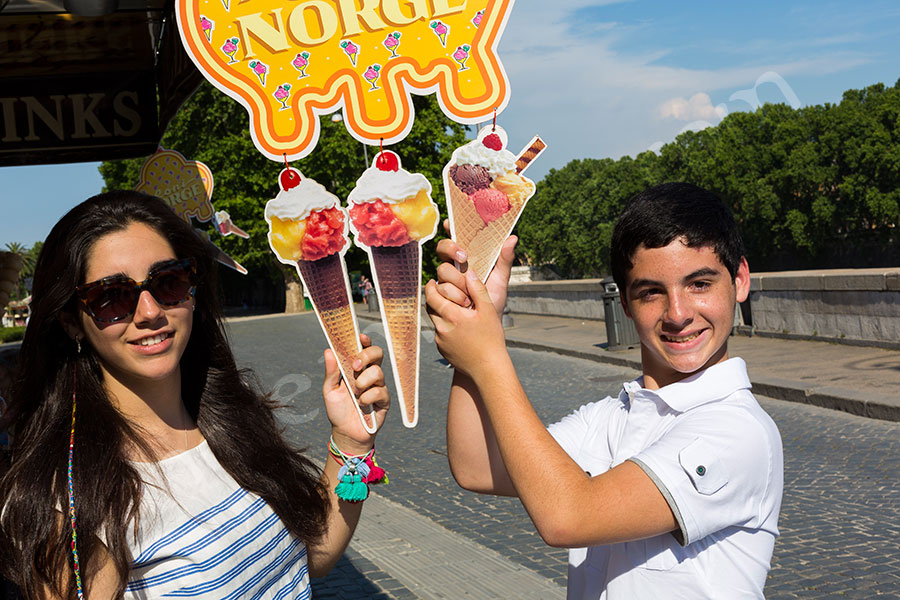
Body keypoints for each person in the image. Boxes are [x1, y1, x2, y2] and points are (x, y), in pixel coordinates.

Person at [0, 191, 390, 599]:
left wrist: (351, 440)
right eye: (112, 297)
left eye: (168, 282)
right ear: (72, 323)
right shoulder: (69, 501)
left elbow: (312, 556)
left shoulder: (233, 419)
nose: (149, 311)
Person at [424, 182, 784, 599]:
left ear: (739, 280)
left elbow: (568, 517)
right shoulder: (612, 416)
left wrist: (488, 357)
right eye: (651, 292)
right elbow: (476, 466)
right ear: (626, 304)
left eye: (699, 284)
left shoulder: (739, 430)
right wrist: (481, 310)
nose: (678, 313)